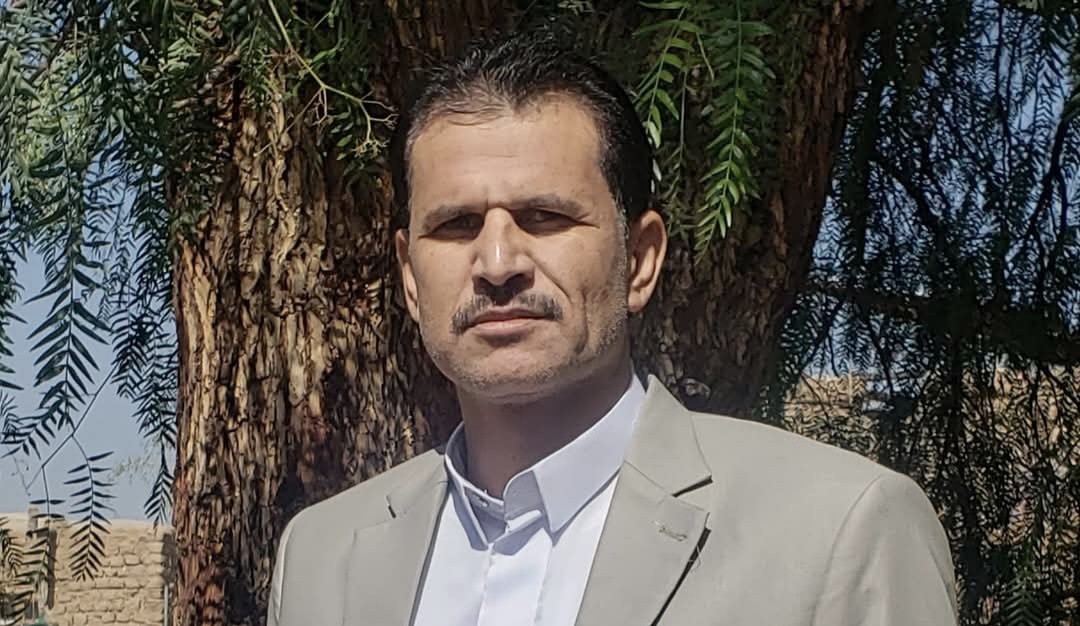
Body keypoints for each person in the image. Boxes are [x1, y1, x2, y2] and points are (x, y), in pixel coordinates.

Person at [267, 31, 957, 626]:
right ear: (411, 277)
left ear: (641, 260)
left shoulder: (838, 530)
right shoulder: (321, 559)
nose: (498, 263)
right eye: (456, 224)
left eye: (545, 217)